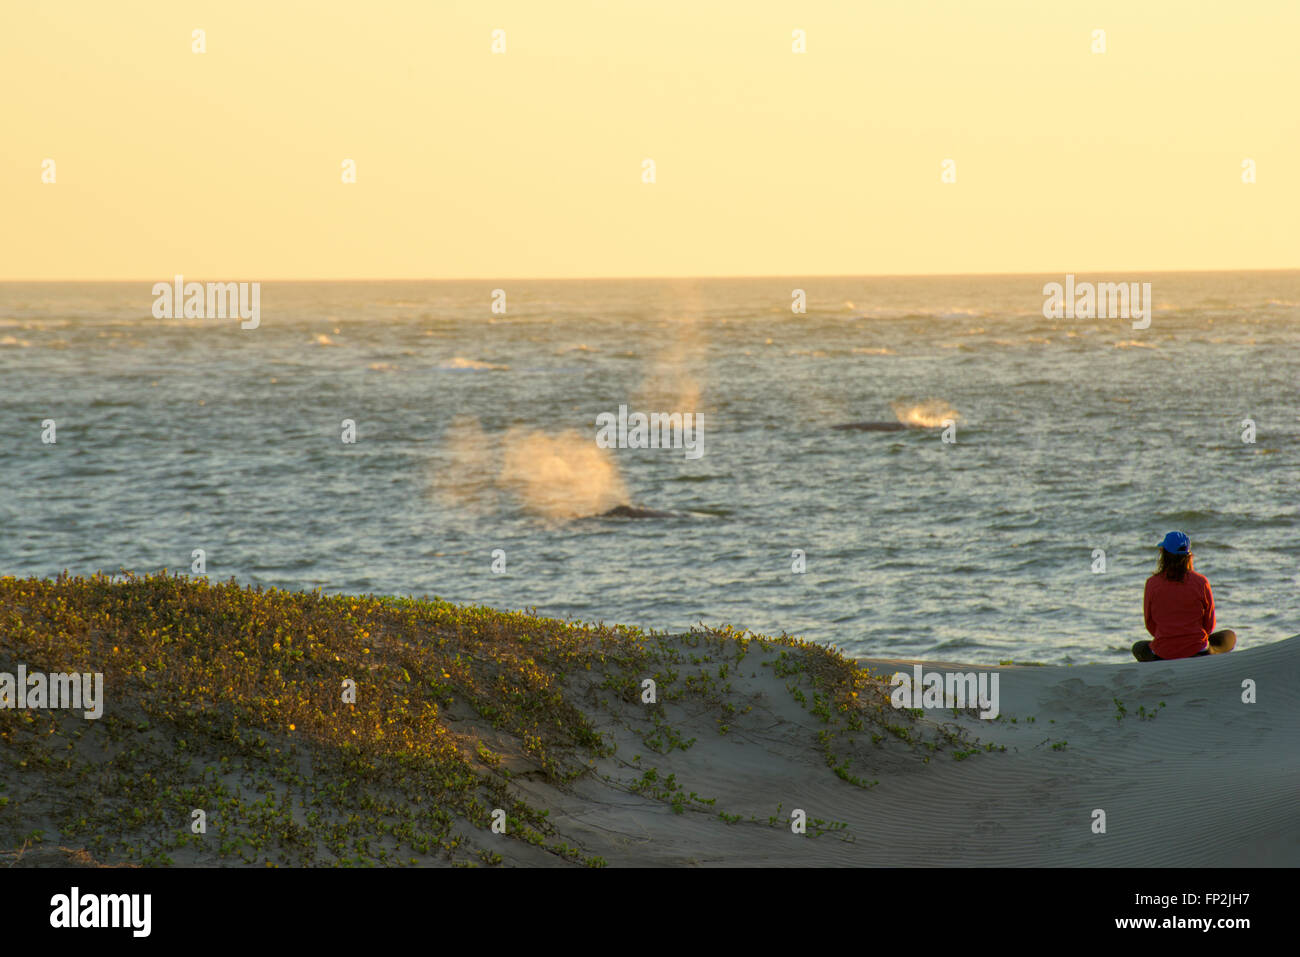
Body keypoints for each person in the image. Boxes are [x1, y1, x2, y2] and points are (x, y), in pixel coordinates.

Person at [1132, 531, 1236, 661]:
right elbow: (1209, 625)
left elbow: (1150, 625)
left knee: (1138, 647)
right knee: (1229, 636)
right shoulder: (1201, 582)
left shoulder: (1152, 583)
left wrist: (1171, 637)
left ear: (1163, 554)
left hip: (1163, 653)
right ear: (1189, 556)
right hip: (1198, 650)